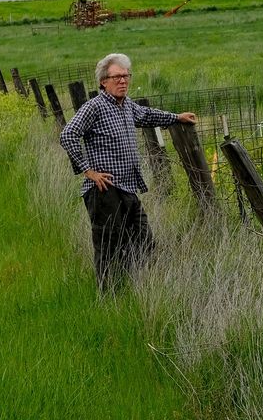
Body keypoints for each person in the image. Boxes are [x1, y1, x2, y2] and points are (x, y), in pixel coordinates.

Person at [59, 53, 196, 293]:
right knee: (108, 246)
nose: (123, 81)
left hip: (128, 186)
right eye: (117, 77)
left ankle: (135, 288)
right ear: (103, 81)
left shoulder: (127, 106)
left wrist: (177, 117)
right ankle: (109, 296)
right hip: (104, 191)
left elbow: (148, 115)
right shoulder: (95, 107)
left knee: (143, 241)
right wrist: (88, 171)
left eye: (126, 76)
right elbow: (68, 135)